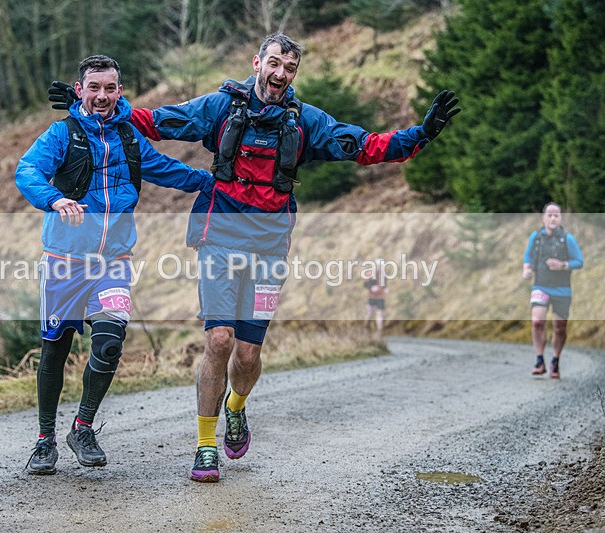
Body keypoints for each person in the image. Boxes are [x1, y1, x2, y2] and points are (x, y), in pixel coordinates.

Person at [48, 32, 460, 482]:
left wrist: (421, 135)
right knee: (219, 341)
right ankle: (206, 446)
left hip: (269, 246)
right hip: (219, 237)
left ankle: (236, 407)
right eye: (275, 63)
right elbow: (154, 121)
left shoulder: (308, 121)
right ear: (257, 62)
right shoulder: (221, 108)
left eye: (290, 68)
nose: (281, 74)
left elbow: (364, 146)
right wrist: (87, 105)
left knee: (246, 356)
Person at [16, 55, 213, 475]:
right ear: (80, 89)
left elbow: (165, 169)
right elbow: (27, 170)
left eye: (110, 88)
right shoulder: (61, 134)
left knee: (108, 343)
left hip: (114, 260)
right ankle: (44, 440)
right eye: (94, 88)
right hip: (64, 261)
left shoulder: (128, 137)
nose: (102, 95)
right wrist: (54, 198)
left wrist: (215, 182)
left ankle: (82, 427)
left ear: (120, 91)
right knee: (56, 349)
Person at [522, 202, 583, 379]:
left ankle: (555, 360)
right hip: (540, 285)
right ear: (544, 218)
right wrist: (526, 268)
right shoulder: (536, 237)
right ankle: (539, 360)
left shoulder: (567, 239)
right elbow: (528, 256)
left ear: (560, 218)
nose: (553, 218)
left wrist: (563, 265)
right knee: (537, 322)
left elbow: (579, 261)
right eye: (549, 215)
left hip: (562, 289)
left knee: (559, 328)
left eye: (556, 215)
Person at [363, 260, 387, 334]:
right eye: (378, 265)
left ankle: (379, 331)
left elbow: (384, 285)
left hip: (380, 297)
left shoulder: (383, 276)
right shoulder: (370, 275)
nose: (379, 267)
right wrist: (371, 287)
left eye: (381, 266)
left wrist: (385, 289)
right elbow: (365, 284)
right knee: (369, 314)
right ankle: (366, 328)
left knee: (380, 314)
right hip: (372, 297)